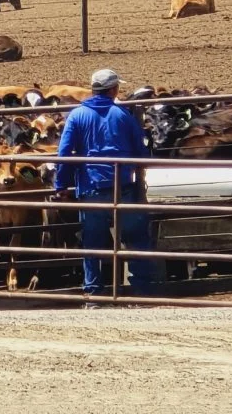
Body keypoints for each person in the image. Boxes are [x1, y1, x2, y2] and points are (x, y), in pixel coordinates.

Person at [54, 68, 157, 300]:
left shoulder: (77, 115)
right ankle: (141, 290)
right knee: (135, 238)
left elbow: (64, 152)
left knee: (92, 243)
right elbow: (141, 151)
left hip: (91, 188)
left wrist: (61, 185)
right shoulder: (122, 115)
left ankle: (93, 294)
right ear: (113, 89)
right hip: (123, 187)